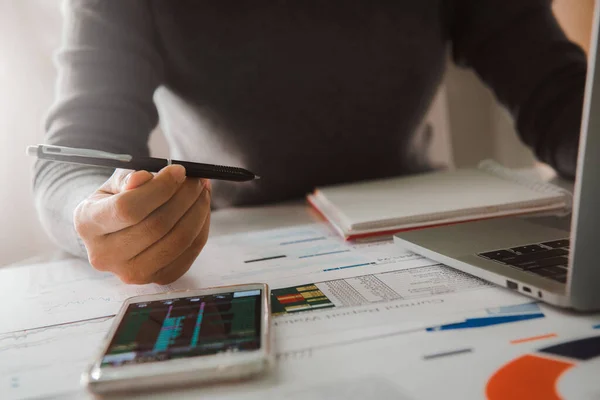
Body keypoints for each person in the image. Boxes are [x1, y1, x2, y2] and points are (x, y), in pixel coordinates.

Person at [34, 1, 587, 285]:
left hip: (425, 234)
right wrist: (97, 216)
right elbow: (74, 158)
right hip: (236, 250)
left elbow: (558, 95)